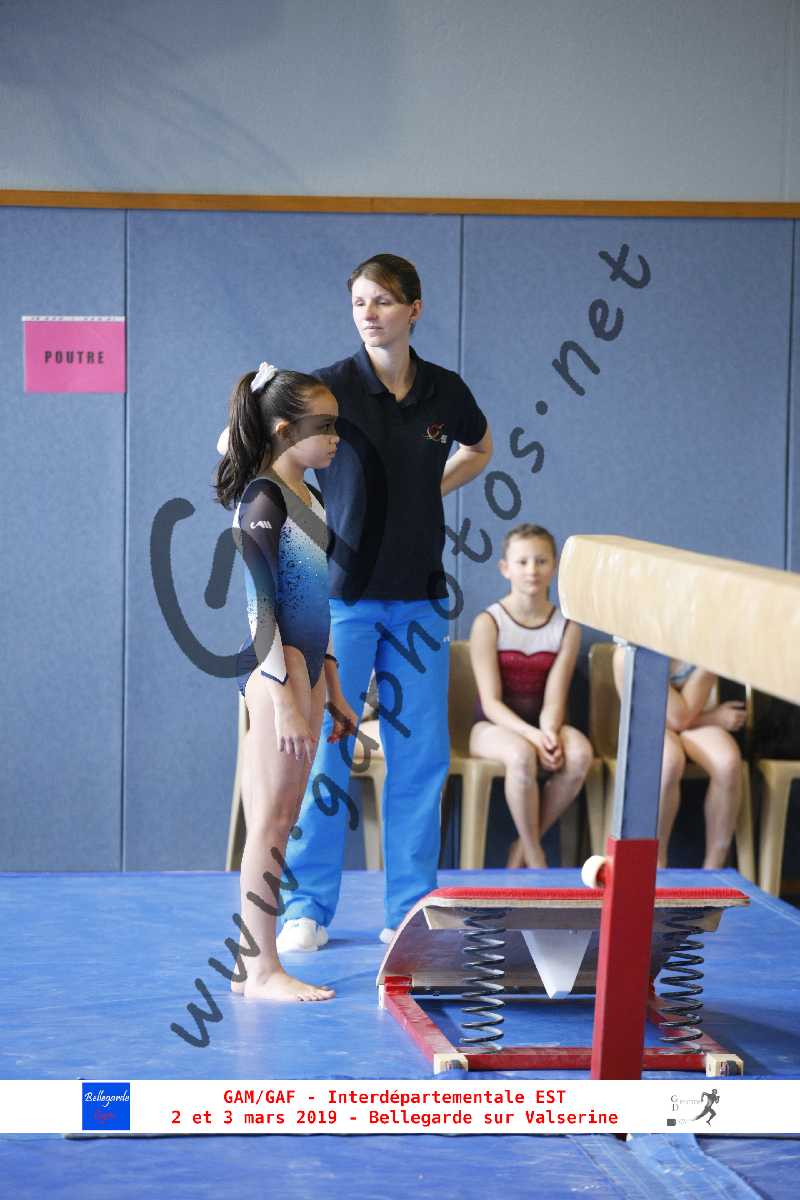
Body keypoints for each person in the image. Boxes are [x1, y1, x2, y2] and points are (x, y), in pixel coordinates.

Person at [276, 253, 493, 950]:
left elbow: (480, 447)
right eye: (359, 303)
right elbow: (262, 444)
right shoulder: (329, 389)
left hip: (421, 602)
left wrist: (427, 491)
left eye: (383, 301)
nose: (368, 314)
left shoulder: (444, 391)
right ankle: (306, 906)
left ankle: (410, 907)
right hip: (343, 601)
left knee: (419, 759)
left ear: (414, 309)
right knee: (327, 756)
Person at [215, 361, 358, 1000]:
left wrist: (334, 689)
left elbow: (316, 603)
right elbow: (261, 612)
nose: (335, 438)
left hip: (307, 669)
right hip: (277, 673)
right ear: (283, 429)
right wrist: (287, 701)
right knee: (272, 826)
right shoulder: (263, 499)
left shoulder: (310, 497)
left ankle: (253, 963)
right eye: (323, 427)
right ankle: (261, 968)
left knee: (282, 822)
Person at [469, 523, 593, 869]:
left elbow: (554, 698)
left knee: (580, 754)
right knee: (521, 756)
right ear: (505, 568)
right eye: (522, 562)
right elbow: (491, 702)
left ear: (554, 567)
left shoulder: (566, 626)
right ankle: (535, 854)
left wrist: (549, 732)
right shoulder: (488, 623)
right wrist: (533, 737)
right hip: (491, 727)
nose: (532, 570)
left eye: (541, 561)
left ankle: (522, 846)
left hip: (542, 722)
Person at [612, 650, 745, 867]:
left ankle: (713, 867)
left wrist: (705, 718)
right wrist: (714, 718)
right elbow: (677, 718)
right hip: (649, 723)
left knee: (727, 762)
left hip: (694, 720)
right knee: (668, 762)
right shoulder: (630, 652)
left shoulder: (708, 646)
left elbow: (685, 715)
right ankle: (656, 863)